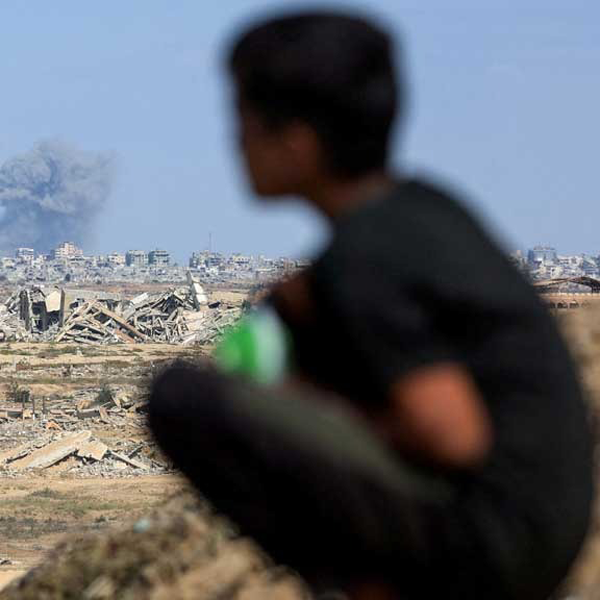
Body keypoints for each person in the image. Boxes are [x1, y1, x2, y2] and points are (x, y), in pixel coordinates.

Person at [148, 10, 594, 600]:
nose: (235, 142)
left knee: (182, 399)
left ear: (297, 141)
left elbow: (452, 436)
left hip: (493, 549)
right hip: (542, 534)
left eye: (245, 122)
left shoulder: (366, 256)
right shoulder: (422, 208)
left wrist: (308, 403)